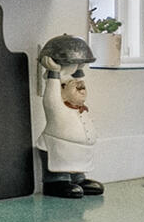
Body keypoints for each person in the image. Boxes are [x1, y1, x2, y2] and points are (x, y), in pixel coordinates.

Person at [36, 33, 102, 198]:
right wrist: (54, 73)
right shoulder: (57, 106)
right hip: (56, 148)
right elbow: (51, 97)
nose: (80, 87)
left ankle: (78, 179)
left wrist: (78, 69)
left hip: (77, 154)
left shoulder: (78, 107)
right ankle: (57, 182)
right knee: (60, 166)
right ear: (61, 92)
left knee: (74, 162)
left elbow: (79, 82)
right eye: (72, 85)